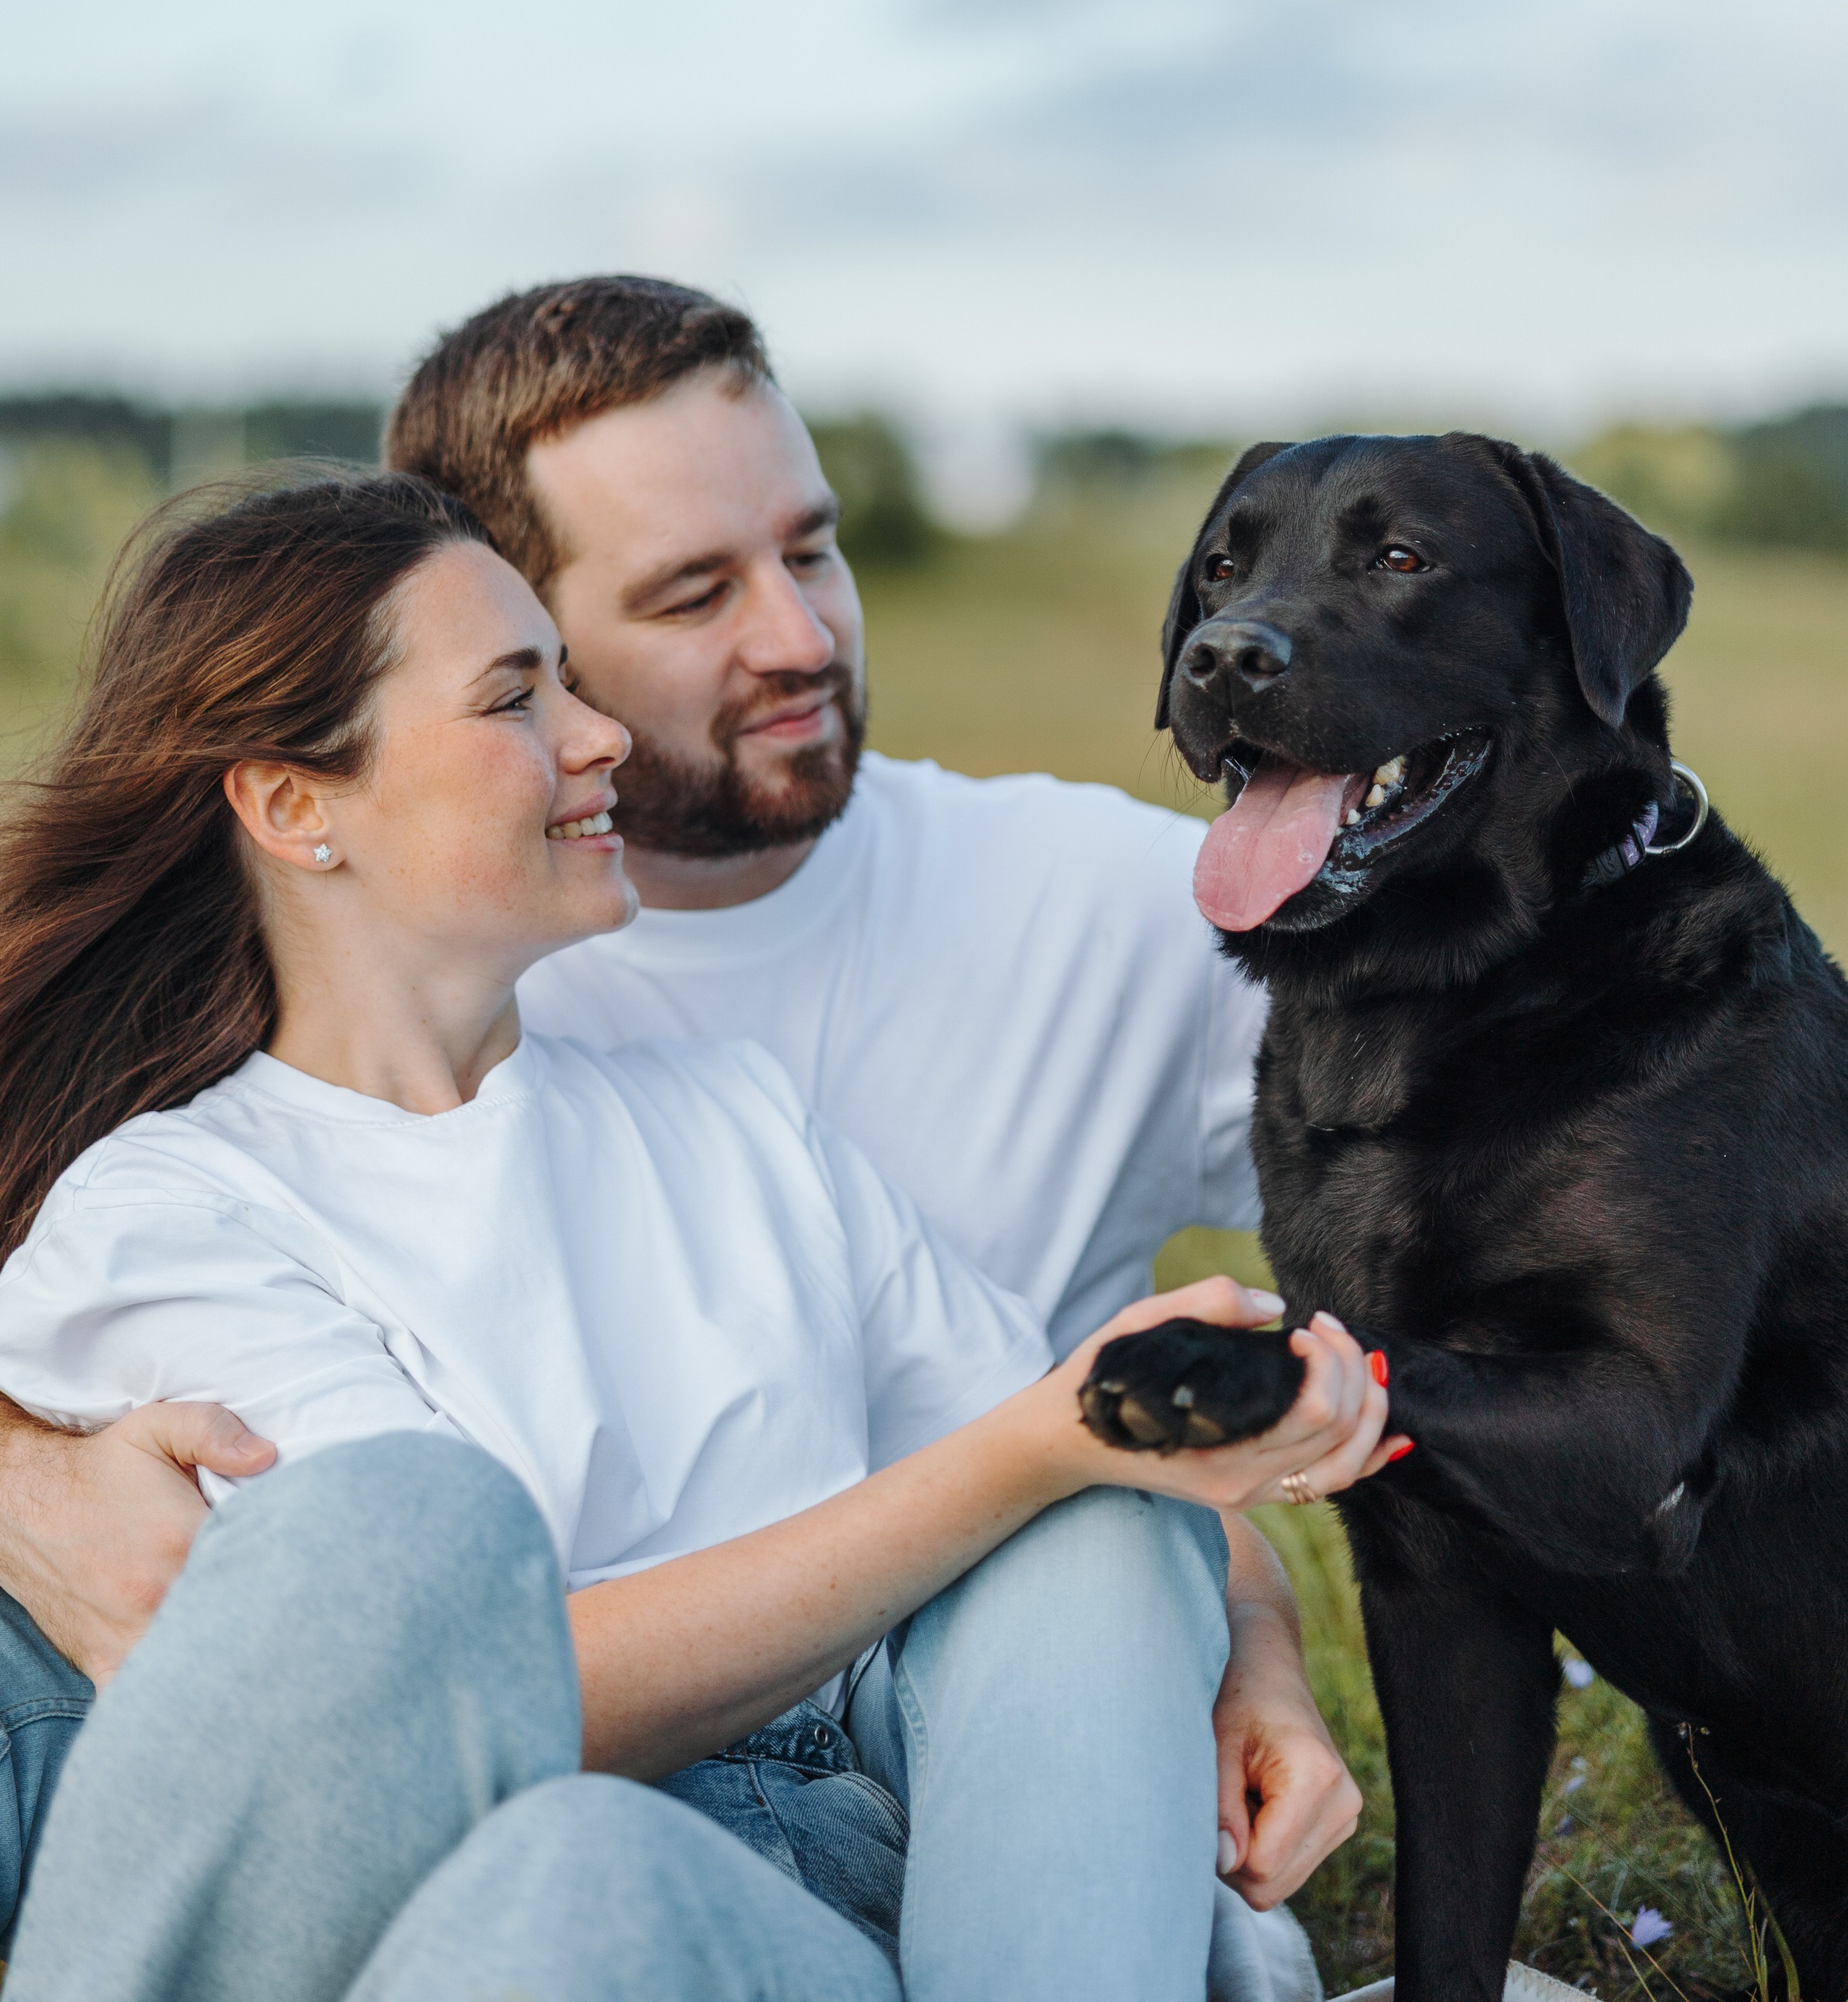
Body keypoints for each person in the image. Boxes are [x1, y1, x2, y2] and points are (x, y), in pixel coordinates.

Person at [0, 275, 1349, 1933]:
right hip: (545, 1875)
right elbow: (459, 1690)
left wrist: (1244, 1637)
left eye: (810, 549)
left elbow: (1077, 1435)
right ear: (291, 804)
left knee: (1110, 1540)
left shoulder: (735, 1107)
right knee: (587, 1871)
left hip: (888, 1803)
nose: (596, 743)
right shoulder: (176, 1203)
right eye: (521, 695)